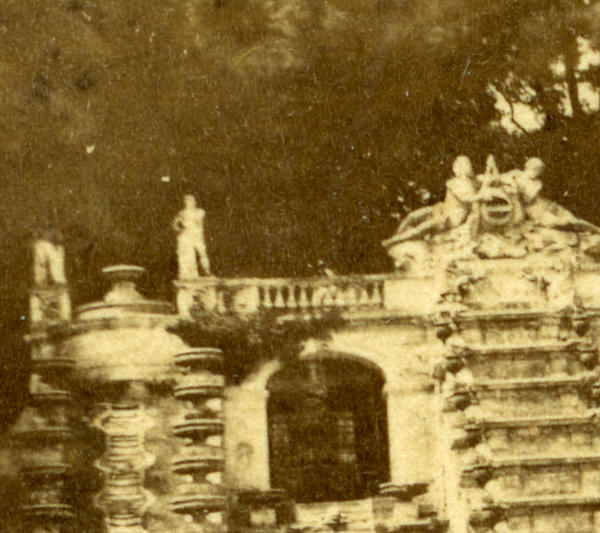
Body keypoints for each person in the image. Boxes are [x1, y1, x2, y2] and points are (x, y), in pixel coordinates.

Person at [383, 155, 478, 246]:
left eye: (463, 164)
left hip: (449, 219)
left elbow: (466, 197)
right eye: (458, 164)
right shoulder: (453, 183)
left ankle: (393, 241)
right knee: (412, 216)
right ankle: (395, 236)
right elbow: (467, 197)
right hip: (441, 209)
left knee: (422, 227)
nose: (457, 168)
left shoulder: (471, 183)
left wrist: (479, 194)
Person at [173, 195, 211, 278]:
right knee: (188, 254)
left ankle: (207, 271)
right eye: (187, 201)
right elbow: (175, 223)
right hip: (186, 234)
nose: (188, 203)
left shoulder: (199, 212)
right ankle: (188, 274)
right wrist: (179, 230)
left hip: (196, 234)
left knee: (202, 252)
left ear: (194, 202)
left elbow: (200, 224)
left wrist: (199, 233)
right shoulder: (182, 213)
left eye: (190, 201)